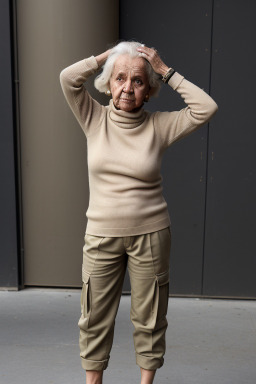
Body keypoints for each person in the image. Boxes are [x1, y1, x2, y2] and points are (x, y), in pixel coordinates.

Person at [60, 41, 218, 384]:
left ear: (148, 91)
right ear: (107, 84)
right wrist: (110, 55)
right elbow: (67, 78)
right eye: (119, 79)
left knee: (150, 316)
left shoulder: (159, 126)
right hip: (101, 235)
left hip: (151, 234)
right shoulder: (93, 117)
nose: (127, 88)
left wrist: (164, 69)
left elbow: (206, 108)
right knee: (94, 316)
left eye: (138, 81)